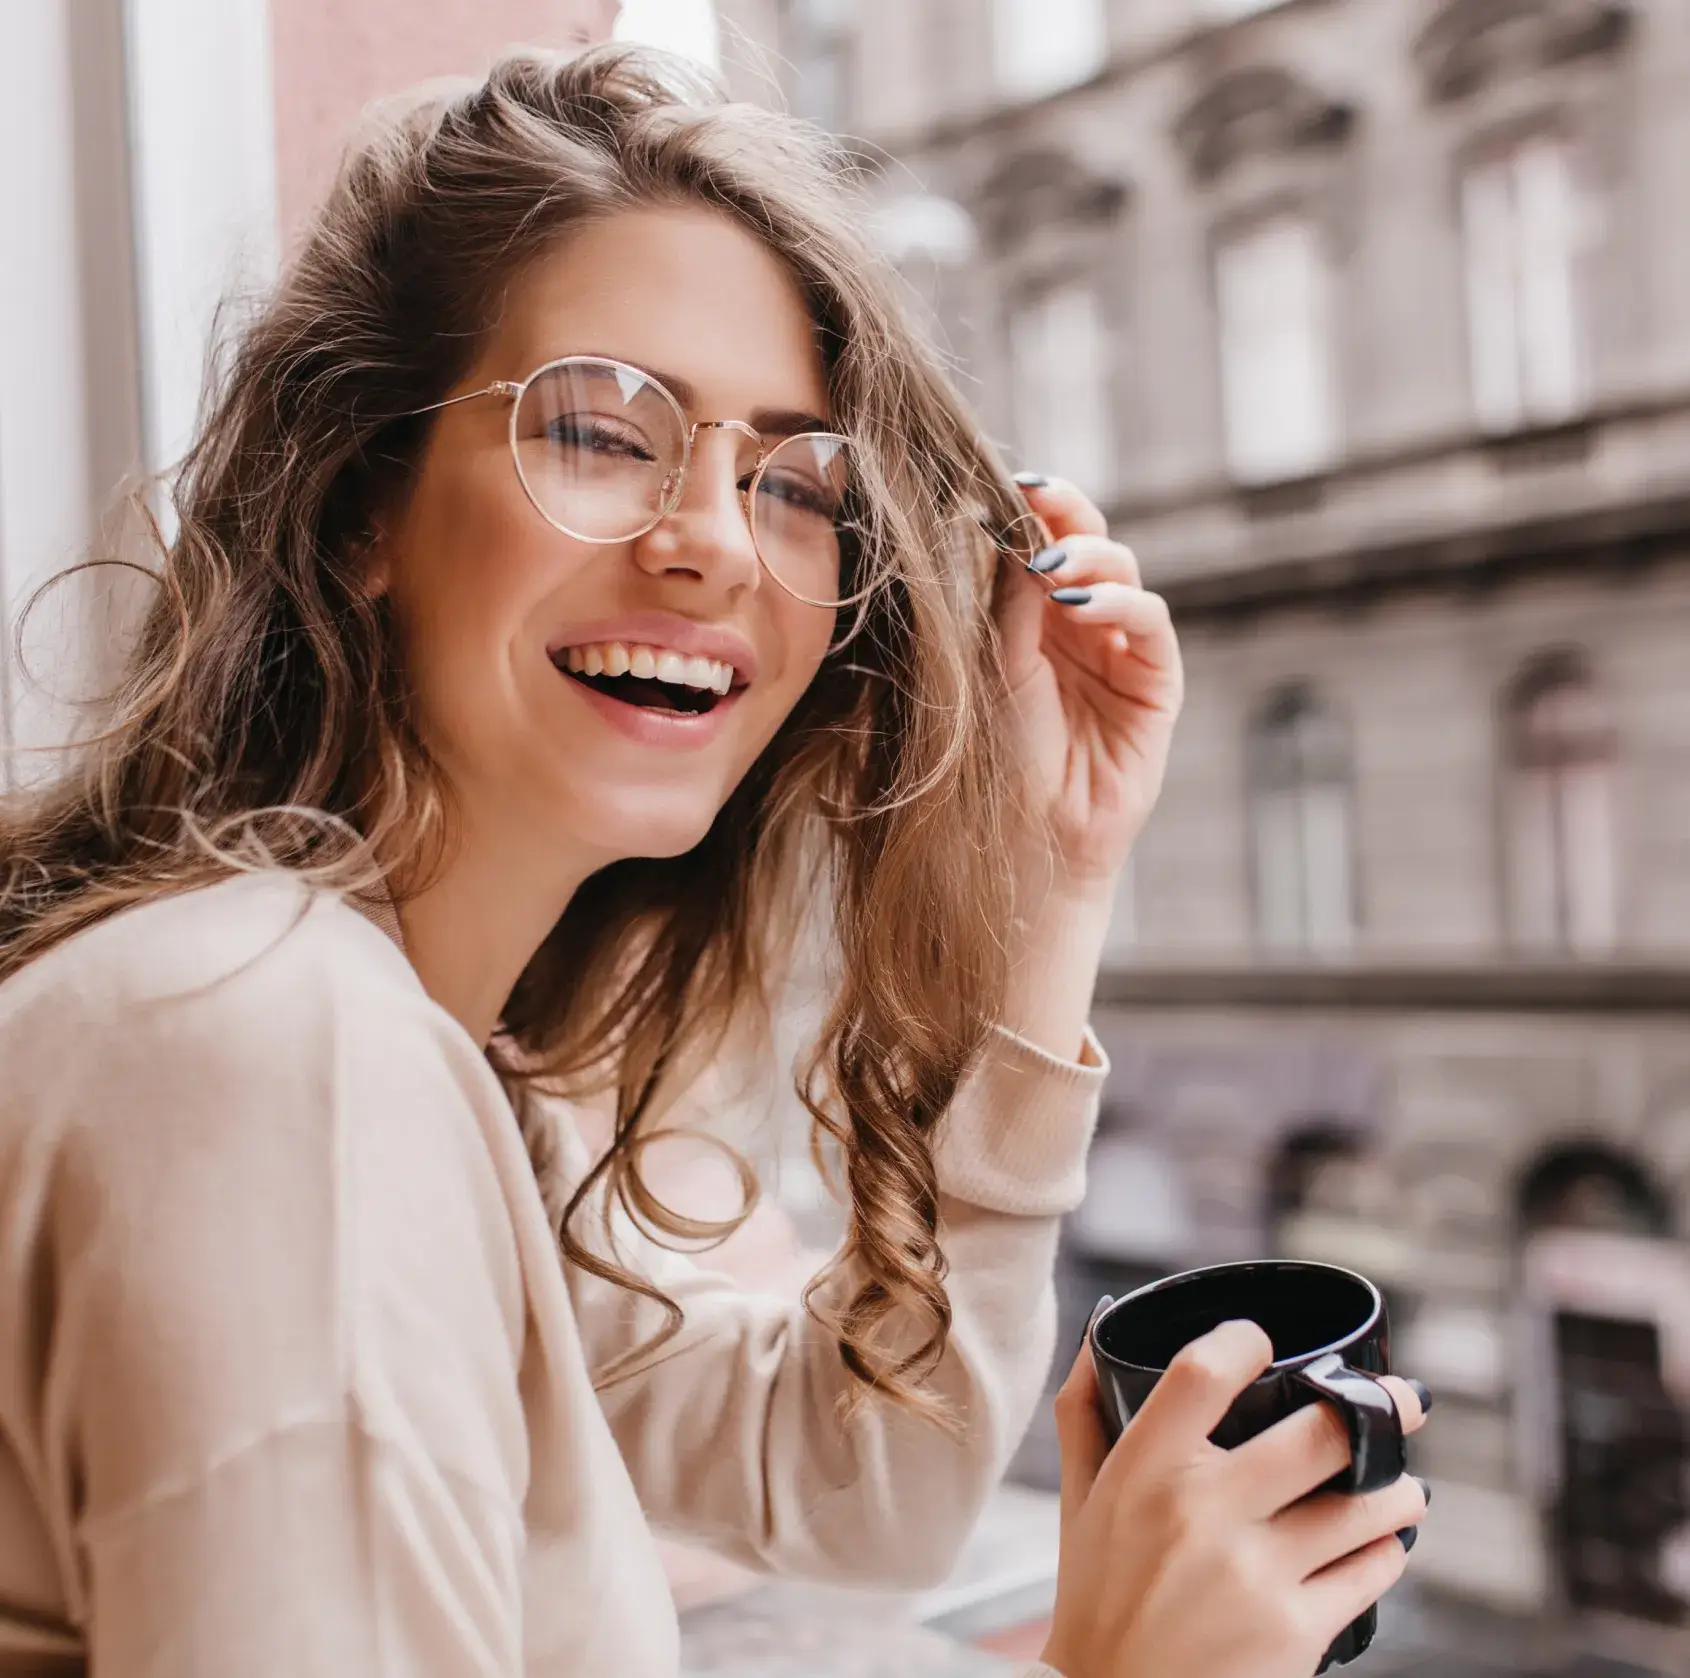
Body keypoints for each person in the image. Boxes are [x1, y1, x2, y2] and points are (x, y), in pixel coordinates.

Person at [0, 47, 1427, 1678]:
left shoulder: (429, 1067)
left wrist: (1049, 873)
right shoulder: (270, 1053)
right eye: (602, 433)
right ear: (356, 503)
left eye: (793, 478)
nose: (718, 540)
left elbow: (865, 1485)